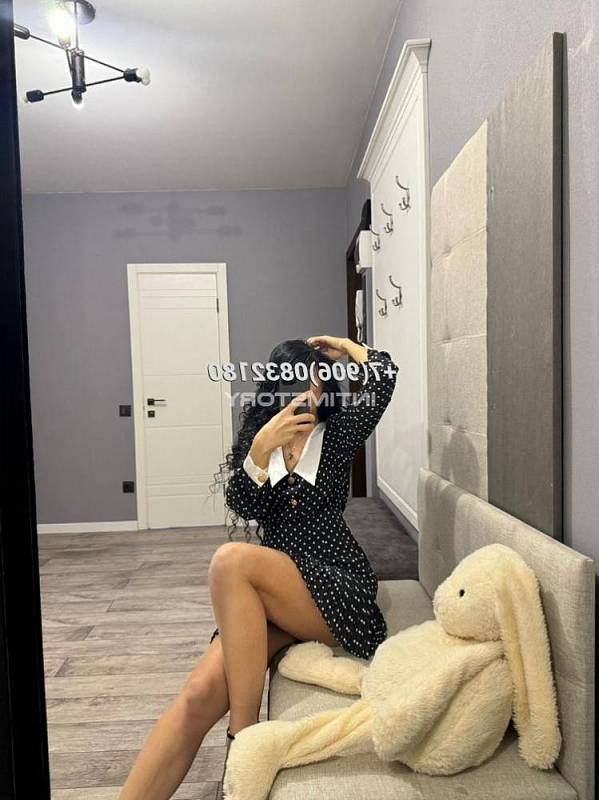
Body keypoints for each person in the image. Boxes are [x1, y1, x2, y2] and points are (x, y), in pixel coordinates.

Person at [118, 335, 398, 800]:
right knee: (198, 694)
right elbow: (243, 504)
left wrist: (347, 346)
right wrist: (261, 450)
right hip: (272, 597)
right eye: (296, 387)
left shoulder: (338, 433)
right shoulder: (261, 438)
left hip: (335, 588)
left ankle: (243, 739)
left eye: (316, 386)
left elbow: (385, 376)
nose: (306, 398)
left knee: (231, 560)